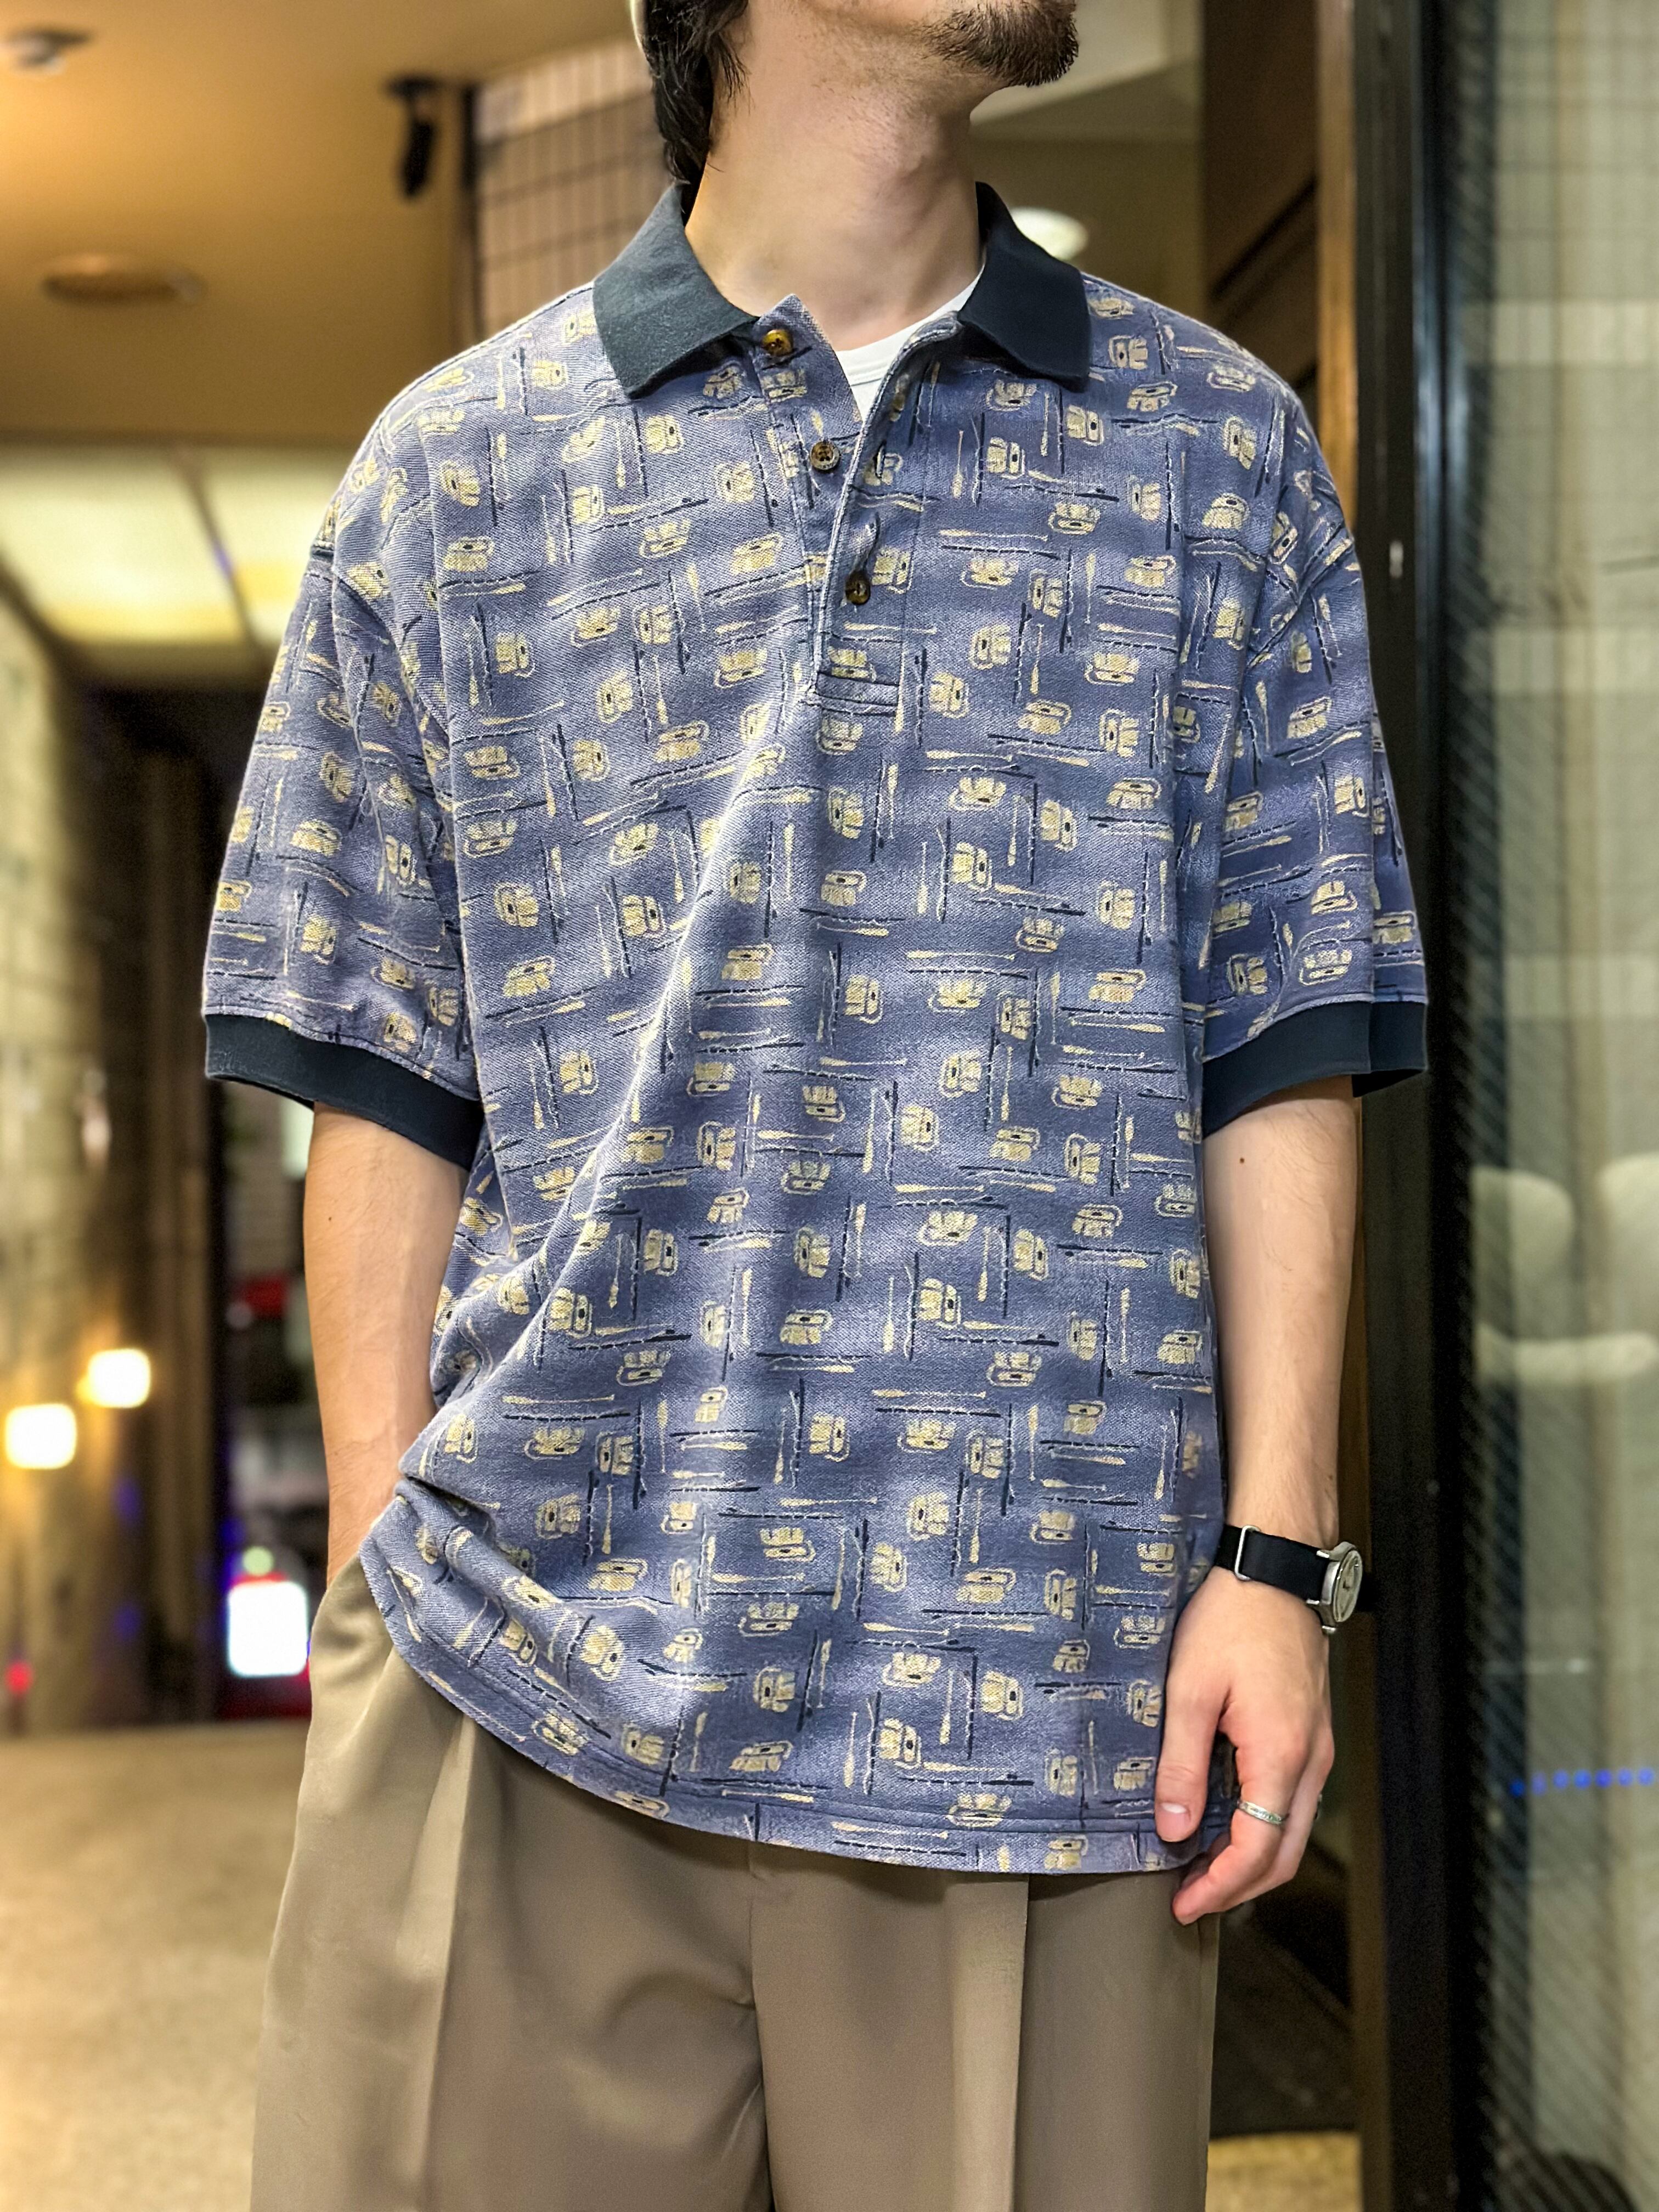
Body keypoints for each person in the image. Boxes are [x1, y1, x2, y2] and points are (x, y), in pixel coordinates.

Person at [204, 0, 1427, 2203]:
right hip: (523, 1671)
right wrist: (390, 1593)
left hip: (1044, 1691)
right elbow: (381, 1073)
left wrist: (1274, 1559)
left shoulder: (1219, 454)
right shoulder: (452, 473)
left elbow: (1282, 1042)